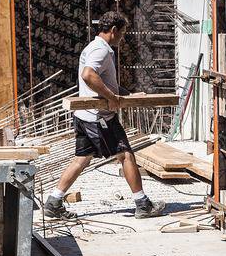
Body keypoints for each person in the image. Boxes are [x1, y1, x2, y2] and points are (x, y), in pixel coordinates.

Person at [43, 11, 166, 219]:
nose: (123, 37)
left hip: (86, 116)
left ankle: (54, 201)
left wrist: (128, 95)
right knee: (125, 154)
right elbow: (88, 75)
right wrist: (112, 98)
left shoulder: (95, 47)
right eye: (123, 32)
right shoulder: (101, 50)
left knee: (81, 159)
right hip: (100, 118)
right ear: (114, 30)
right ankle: (142, 204)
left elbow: (107, 82)